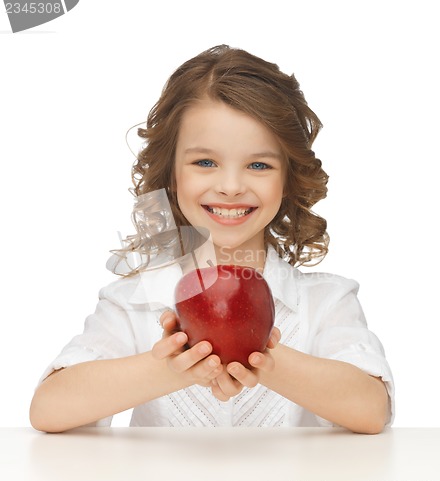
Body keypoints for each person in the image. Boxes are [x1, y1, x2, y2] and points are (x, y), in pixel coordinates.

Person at [29, 45, 394, 433]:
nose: (231, 186)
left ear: (288, 179)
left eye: (258, 165)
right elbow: (49, 410)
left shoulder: (324, 302)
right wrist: (168, 366)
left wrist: (263, 357)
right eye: (205, 162)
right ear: (171, 172)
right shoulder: (135, 301)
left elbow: (371, 411)